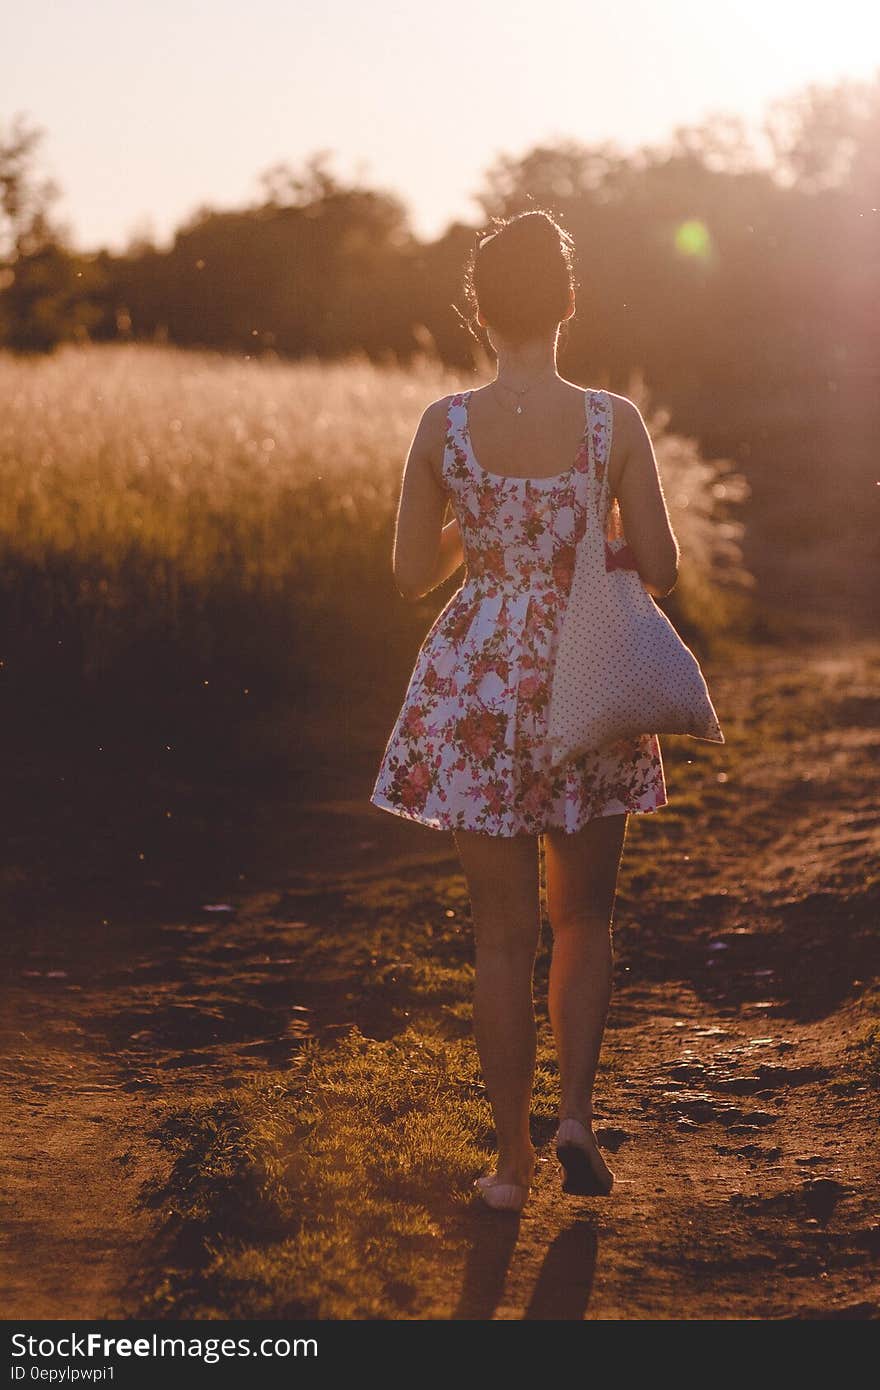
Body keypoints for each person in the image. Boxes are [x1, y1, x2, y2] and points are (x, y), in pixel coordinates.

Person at [370, 210, 679, 1212]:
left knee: (501, 934)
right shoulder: (613, 423)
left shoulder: (443, 427)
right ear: (568, 303)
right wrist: (586, 533)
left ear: (476, 309)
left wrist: (482, 528)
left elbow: (410, 573)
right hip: (586, 674)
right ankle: (576, 1121)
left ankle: (508, 1163)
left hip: (480, 687)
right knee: (583, 915)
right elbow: (665, 570)